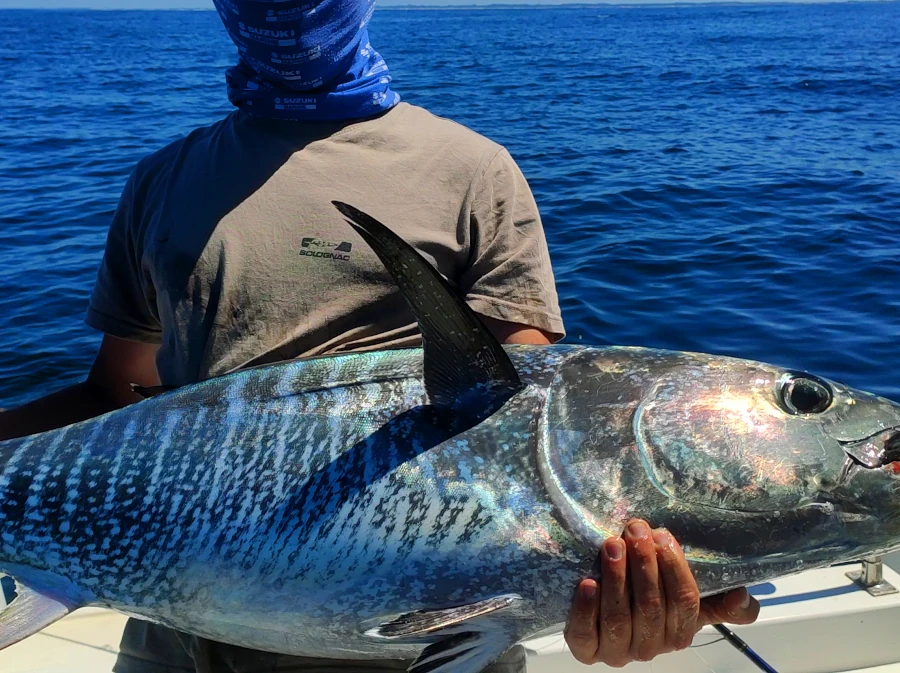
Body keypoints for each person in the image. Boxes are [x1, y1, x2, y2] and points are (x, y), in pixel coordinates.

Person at [0, 0, 759, 671]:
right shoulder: (163, 178)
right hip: (178, 635)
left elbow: (527, 437)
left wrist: (608, 603)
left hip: (424, 648)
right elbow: (116, 397)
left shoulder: (471, 172)